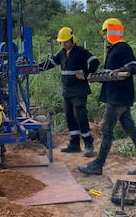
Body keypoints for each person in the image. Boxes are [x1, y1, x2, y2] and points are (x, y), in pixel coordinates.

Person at [77, 18, 136, 177]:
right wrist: (92, 77)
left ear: (110, 32)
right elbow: (110, 75)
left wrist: (121, 69)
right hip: (118, 97)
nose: (103, 37)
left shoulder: (123, 48)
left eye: (105, 33)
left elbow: (134, 67)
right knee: (131, 130)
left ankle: (98, 164)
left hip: (117, 98)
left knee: (106, 129)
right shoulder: (113, 49)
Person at [39, 26, 100, 157]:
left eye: (65, 41)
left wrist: (87, 73)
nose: (63, 44)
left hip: (79, 91)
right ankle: (74, 144)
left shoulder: (80, 52)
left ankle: (88, 143)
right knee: (70, 118)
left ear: (72, 39)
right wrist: (34, 68)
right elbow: (50, 64)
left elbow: (95, 61)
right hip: (67, 91)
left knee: (80, 117)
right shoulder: (62, 54)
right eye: (61, 42)